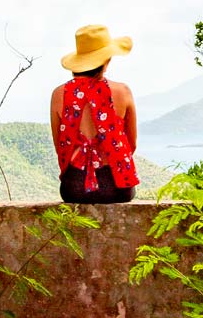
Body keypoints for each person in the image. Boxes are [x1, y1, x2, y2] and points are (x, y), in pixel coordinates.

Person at [51, 24, 140, 205]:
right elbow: (132, 144)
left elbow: (59, 145)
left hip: (74, 188)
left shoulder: (59, 94)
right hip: (117, 187)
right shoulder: (122, 91)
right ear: (106, 61)